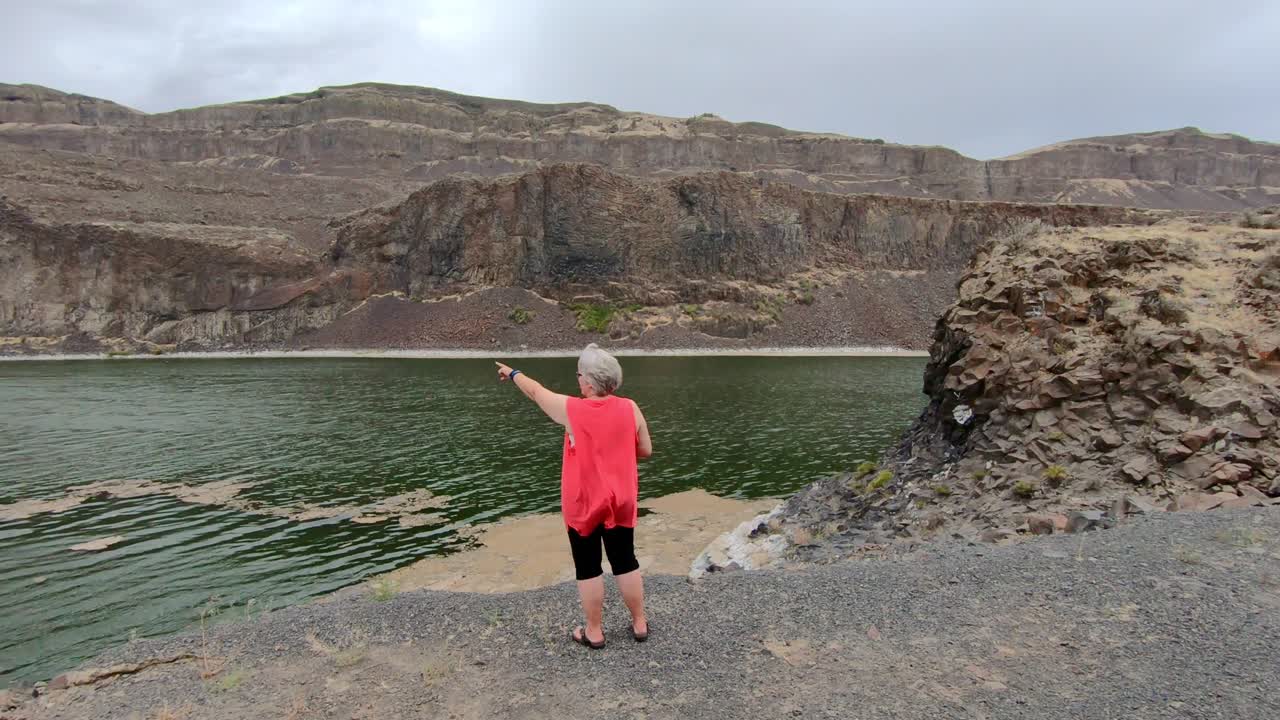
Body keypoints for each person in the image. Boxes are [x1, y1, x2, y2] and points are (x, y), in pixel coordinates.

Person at [495, 343, 653, 649]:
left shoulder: (573, 410)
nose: (577, 379)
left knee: (588, 565)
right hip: (621, 500)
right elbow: (645, 449)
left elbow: (537, 392)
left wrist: (513, 373)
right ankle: (639, 623)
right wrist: (614, 447)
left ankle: (594, 631)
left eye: (579, 374)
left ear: (590, 382)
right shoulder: (630, 407)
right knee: (625, 560)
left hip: (584, 503)